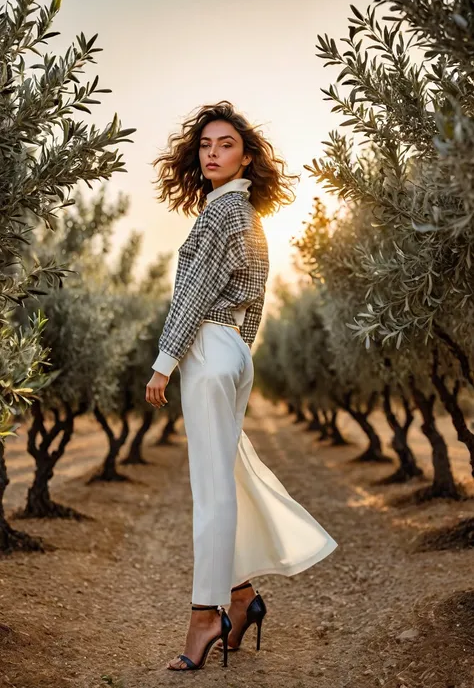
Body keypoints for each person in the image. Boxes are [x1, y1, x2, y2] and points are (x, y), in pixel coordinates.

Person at [145, 101, 338, 671]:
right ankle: (240, 595)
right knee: (225, 477)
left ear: (246, 155)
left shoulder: (224, 213)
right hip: (229, 345)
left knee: (211, 490)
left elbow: (197, 290)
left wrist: (166, 360)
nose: (212, 153)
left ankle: (206, 614)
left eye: (225, 144)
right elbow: (251, 304)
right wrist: (234, 351)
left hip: (208, 344)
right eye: (205, 145)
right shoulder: (244, 213)